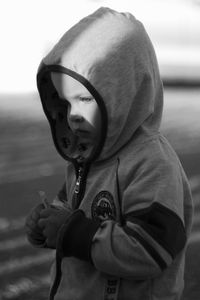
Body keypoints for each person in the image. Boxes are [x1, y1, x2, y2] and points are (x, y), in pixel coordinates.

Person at [25, 7, 193, 300]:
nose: (73, 116)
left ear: (126, 93)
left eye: (85, 99)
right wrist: (45, 223)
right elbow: (66, 213)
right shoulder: (85, 153)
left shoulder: (152, 163)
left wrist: (71, 231)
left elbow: (152, 250)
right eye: (65, 103)